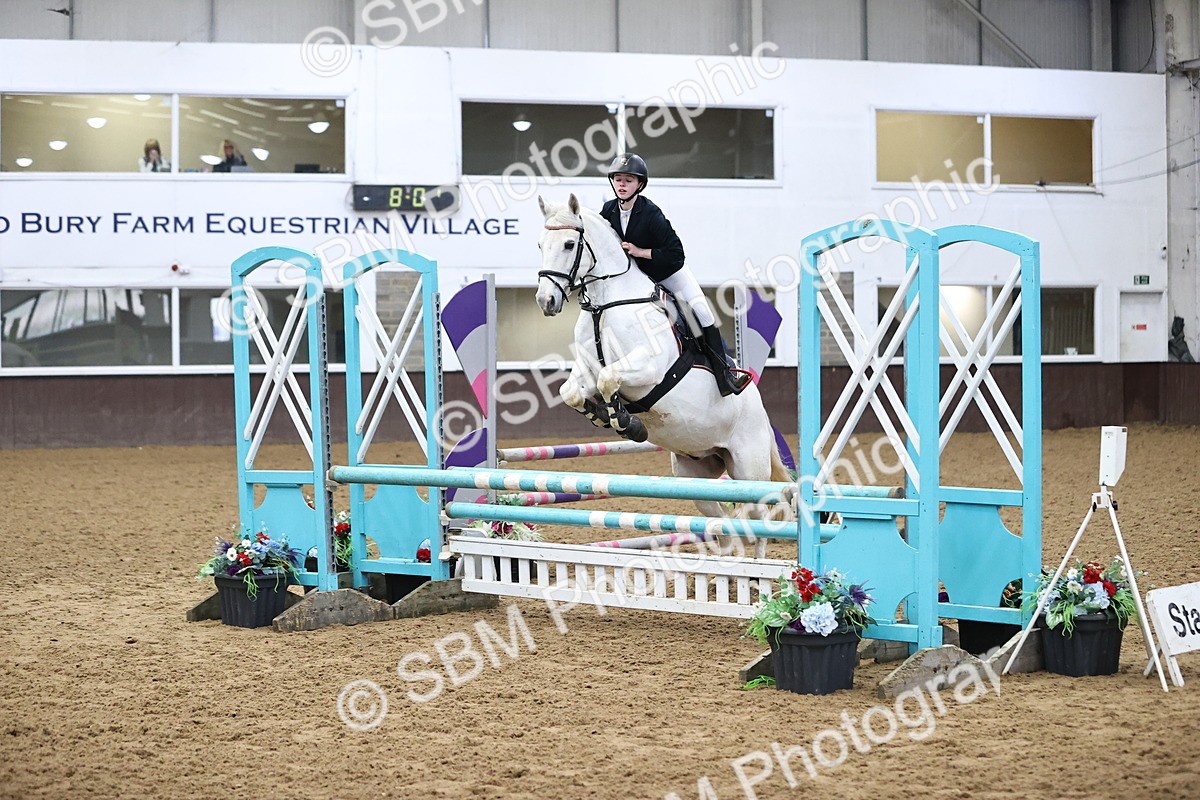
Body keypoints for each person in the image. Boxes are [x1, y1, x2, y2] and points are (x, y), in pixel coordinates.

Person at [599, 152, 750, 396]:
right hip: (637, 278)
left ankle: (726, 374)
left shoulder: (650, 213)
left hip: (669, 272)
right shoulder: (608, 211)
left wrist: (640, 251)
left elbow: (676, 254)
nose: (622, 185)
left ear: (640, 184)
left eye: (628, 180)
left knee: (702, 313)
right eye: (618, 179)